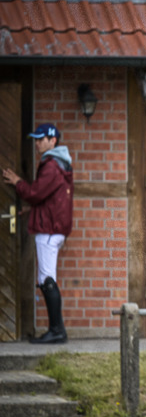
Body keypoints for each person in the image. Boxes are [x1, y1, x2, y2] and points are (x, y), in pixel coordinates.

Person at [2, 123, 74, 344]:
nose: (37, 143)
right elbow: (50, 199)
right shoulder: (59, 164)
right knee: (47, 278)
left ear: (53, 141)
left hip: (49, 230)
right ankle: (57, 330)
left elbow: (35, 193)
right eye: (35, 139)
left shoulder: (51, 165)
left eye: (41, 139)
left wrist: (18, 182)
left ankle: (57, 331)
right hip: (53, 227)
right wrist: (33, 210)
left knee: (47, 279)